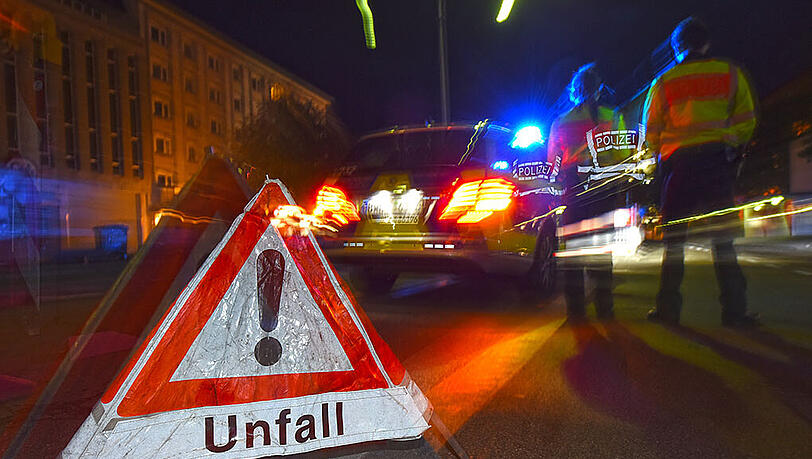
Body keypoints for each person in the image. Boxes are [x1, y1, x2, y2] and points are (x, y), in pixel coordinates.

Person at [643, 17, 759, 327]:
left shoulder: (664, 82)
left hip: (679, 168)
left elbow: (651, 132)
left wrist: (665, 153)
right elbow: (746, 120)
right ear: (706, 43)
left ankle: (667, 310)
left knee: (674, 243)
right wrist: (730, 147)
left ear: (676, 47)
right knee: (723, 242)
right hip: (716, 165)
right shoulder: (729, 73)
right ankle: (734, 312)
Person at [547, 63, 631, 321]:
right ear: (599, 89)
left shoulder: (561, 122)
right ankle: (605, 309)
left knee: (574, 251)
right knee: (602, 251)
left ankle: (576, 312)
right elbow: (623, 155)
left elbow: (553, 162)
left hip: (574, 190)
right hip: (604, 189)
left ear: (574, 91)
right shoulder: (612, 116)